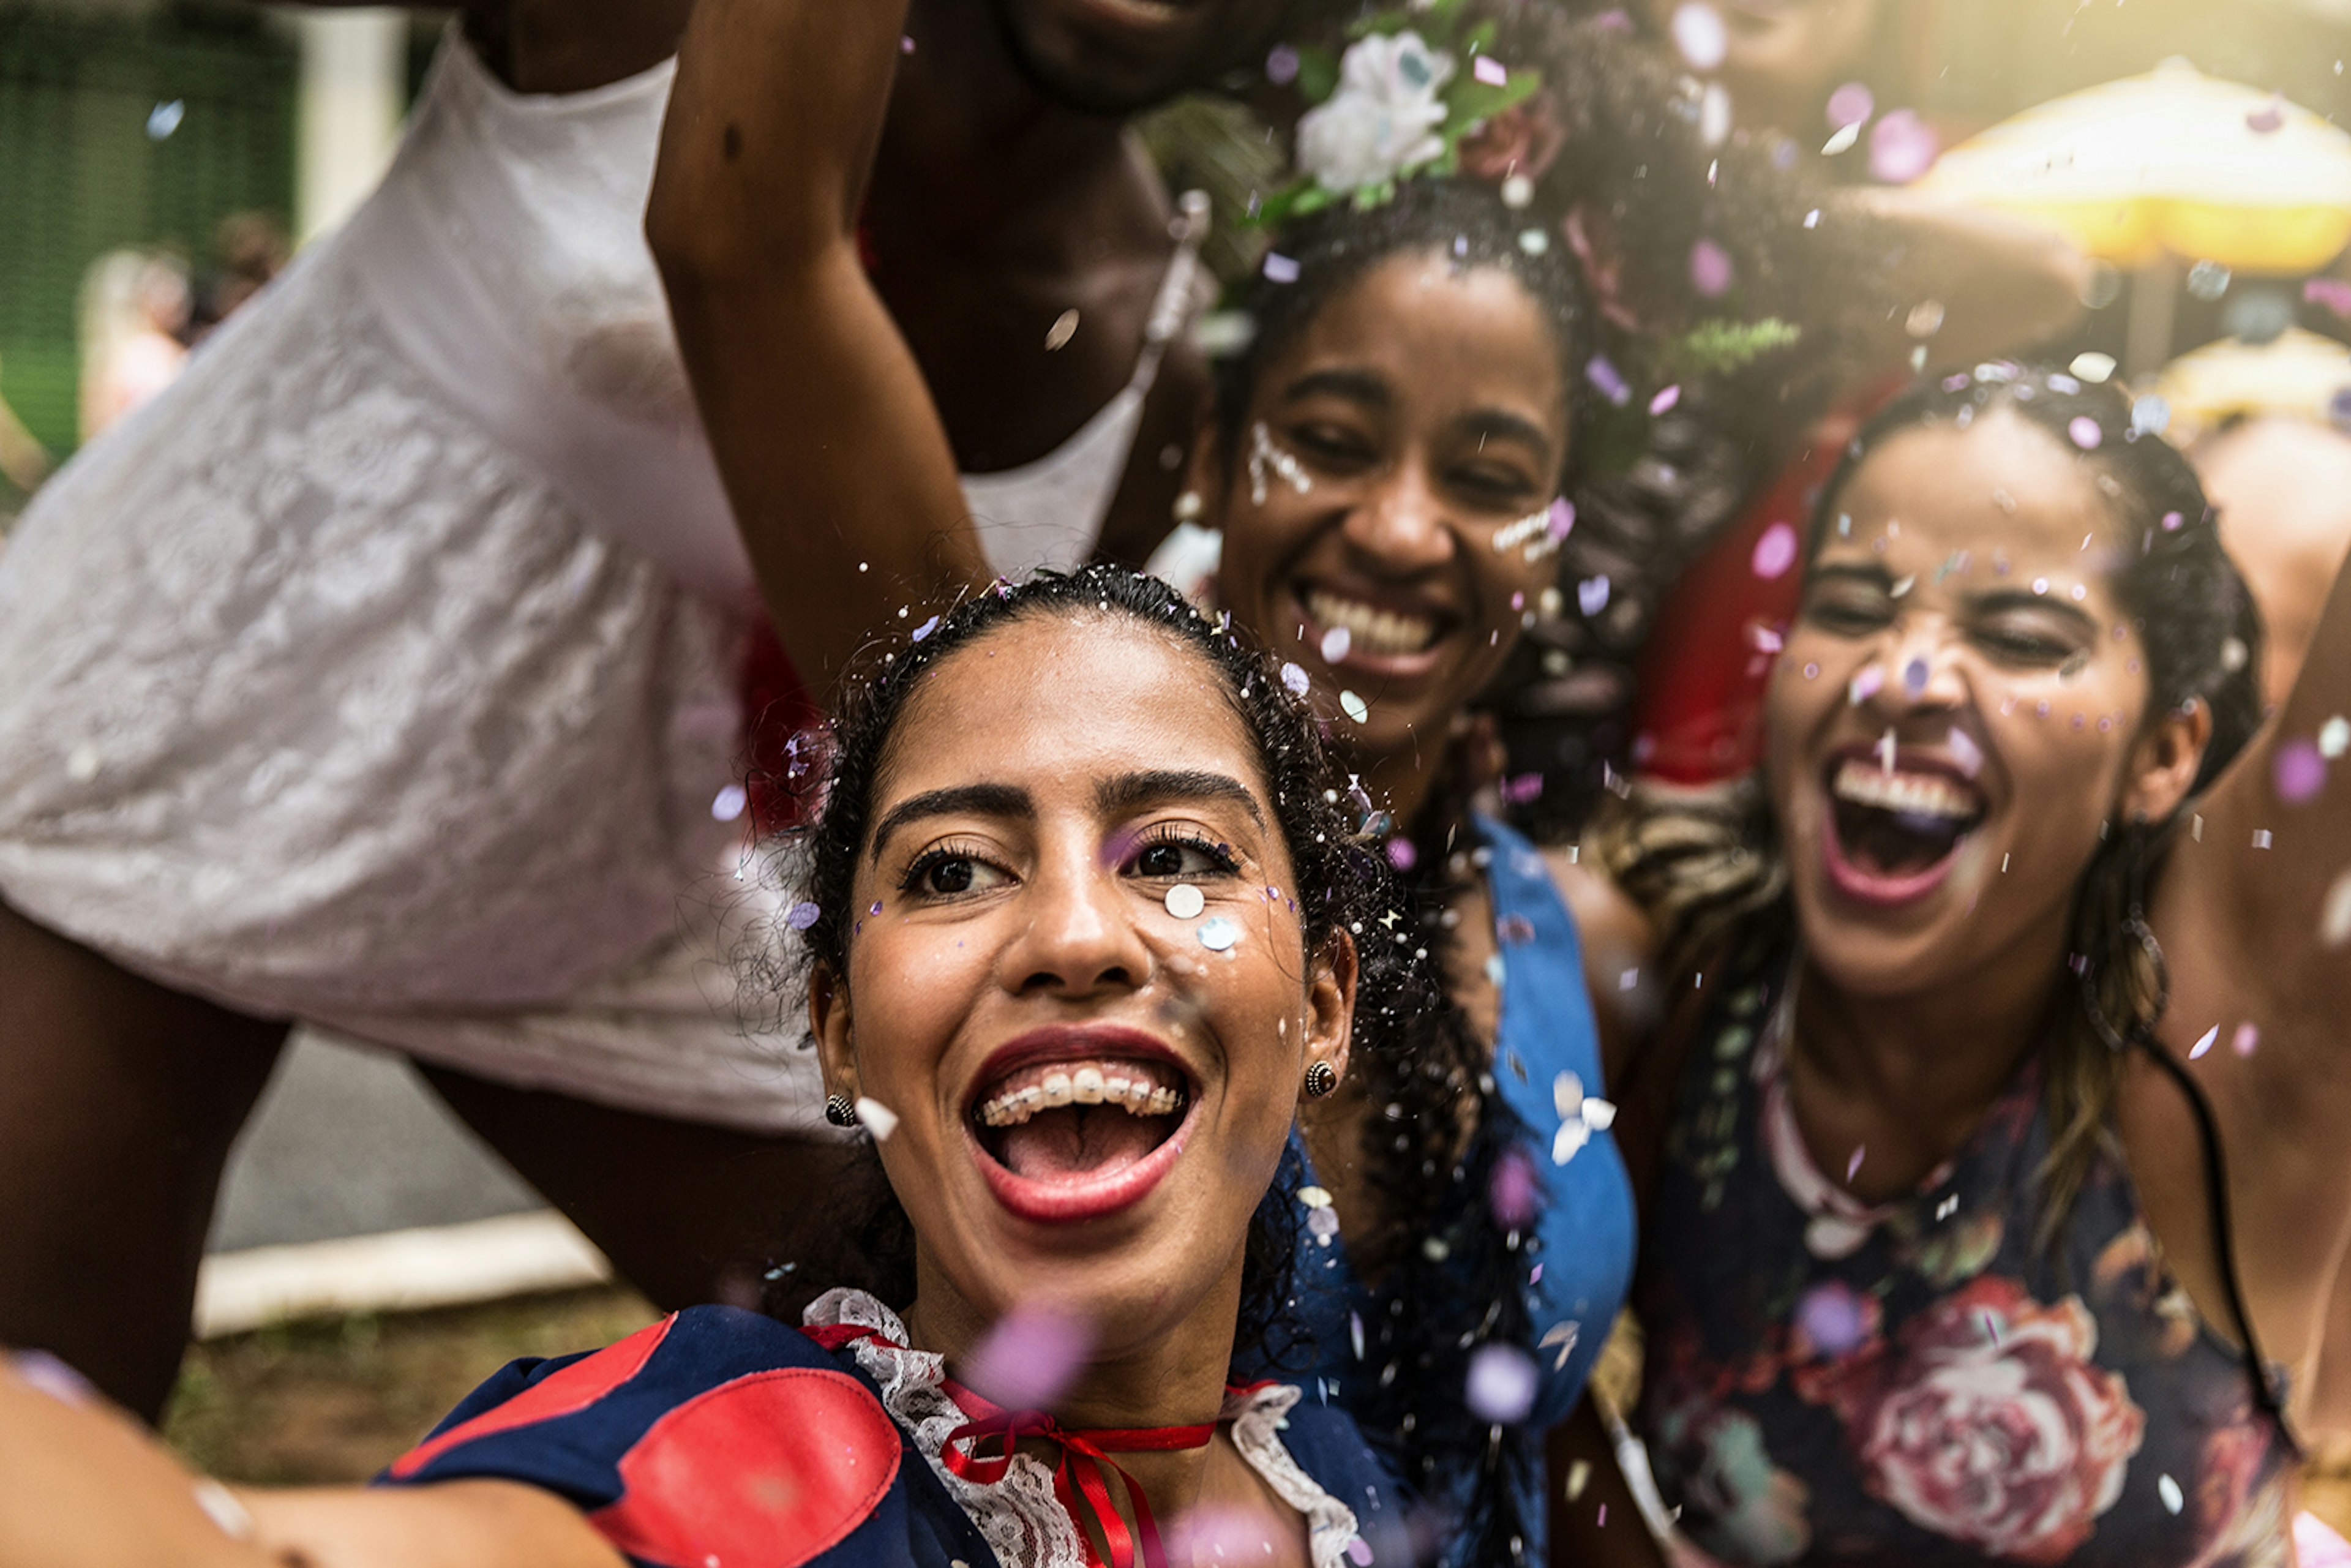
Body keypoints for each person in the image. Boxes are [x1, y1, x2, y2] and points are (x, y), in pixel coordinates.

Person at [0, 0, 1324, 1421]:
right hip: (191, 733)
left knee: (1003, 1408)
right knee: (42, 1431)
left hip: (644, 901)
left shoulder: (1165, 351)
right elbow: (746, 251)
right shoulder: (631, 31)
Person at [650, 0, 1850, 1557]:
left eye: (1488, 478)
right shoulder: (1017, 770)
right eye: (1334, 438)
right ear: (1217, 453)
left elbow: (1534, 1429)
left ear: (1553, 539)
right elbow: (746, 242)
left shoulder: (1580, 944)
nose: (1403, 530)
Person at [0, 566, 1411, 1568]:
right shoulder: (747, 1470)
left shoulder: (1335, 1479)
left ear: (1329, 1002)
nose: (1072, 932)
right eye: (954, 869)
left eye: (1174, 854)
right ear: (841, 1028)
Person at [1554, 363, 2346, 1566]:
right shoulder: (1671, 979)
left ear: (2167, 751)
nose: (1902, 676)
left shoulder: (2221, 1037)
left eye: (2022, 635)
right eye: (1857, 605)